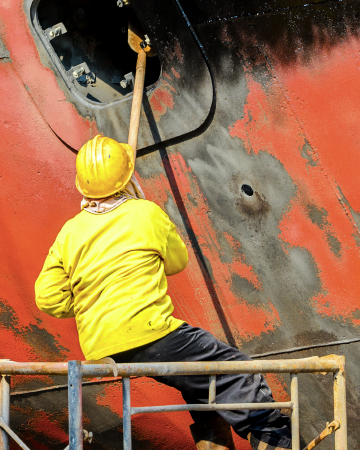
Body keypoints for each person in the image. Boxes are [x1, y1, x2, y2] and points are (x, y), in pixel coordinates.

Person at [34, 135, 292, 450]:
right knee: (234, 370)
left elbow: (48, 297)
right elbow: (177, 261)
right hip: (151, 333)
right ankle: (275, 438)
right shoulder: (145, 213)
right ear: (126, 178)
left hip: (101, 346)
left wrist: (95, 295)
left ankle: (215, 442)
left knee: (197, 384)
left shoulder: (70, 232)